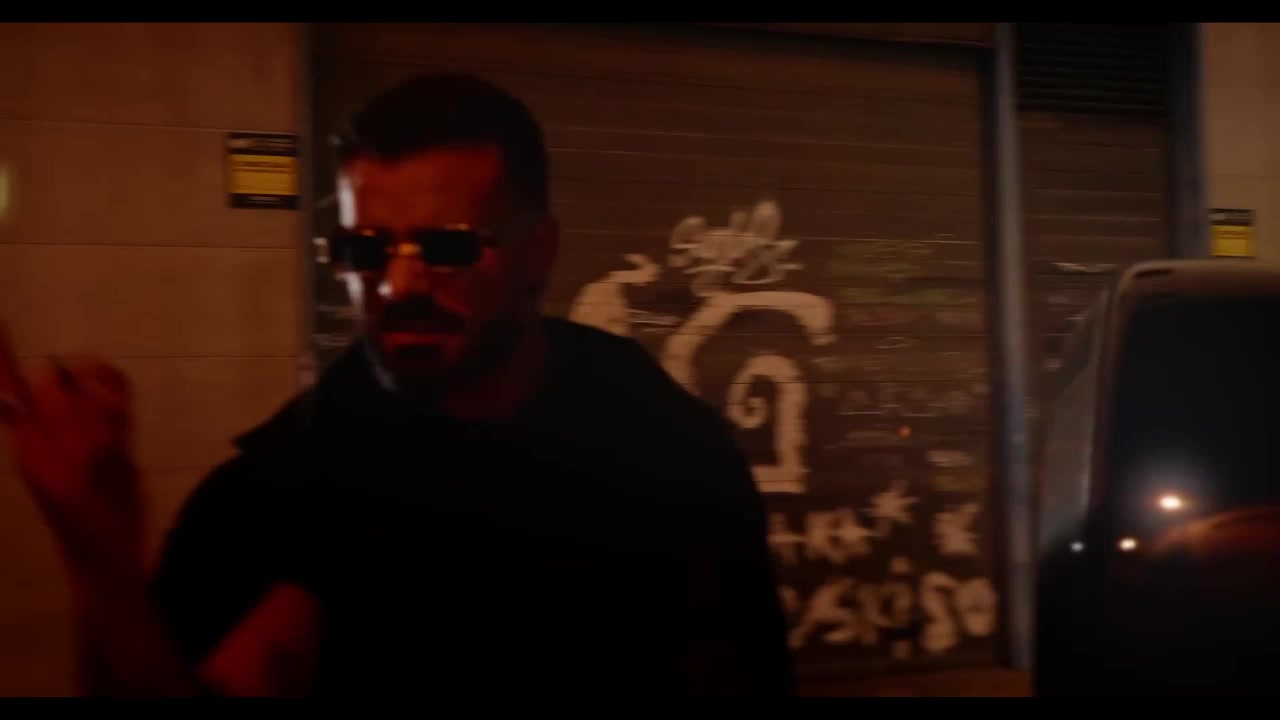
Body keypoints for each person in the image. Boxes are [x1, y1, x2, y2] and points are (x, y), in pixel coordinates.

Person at [0, 72, 795, 697]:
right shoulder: (294, 482)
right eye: (364, 251)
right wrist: (98, 555)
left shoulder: (661, 441)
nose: (398, 284)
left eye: (447, 248)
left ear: (538, 252)